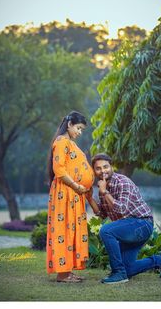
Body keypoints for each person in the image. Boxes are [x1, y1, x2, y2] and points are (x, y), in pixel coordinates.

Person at [86, 153, 161, 284]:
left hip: (141, 224)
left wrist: (104, 192)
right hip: (128, 228)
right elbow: (102, 214)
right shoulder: (103, 188)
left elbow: (121, 209)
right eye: (98, 168)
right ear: (94, 170)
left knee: (106, 231)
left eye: (105, 166)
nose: (103, 171)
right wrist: (90, 198)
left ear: (111, 166)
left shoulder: (122, 182)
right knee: (129, 269)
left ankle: (118, 273)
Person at [46, 111, 94, 283]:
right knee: (64, 230)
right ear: (69, 124)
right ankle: (62, 274)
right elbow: (59, 170)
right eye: (79, 128)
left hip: (74, 194)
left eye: (82, 130)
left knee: (72, 231)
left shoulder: (70, 143)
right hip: (65, 192)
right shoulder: (61, 142)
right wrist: (75, 185)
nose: (80, 132)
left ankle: (68, 271)